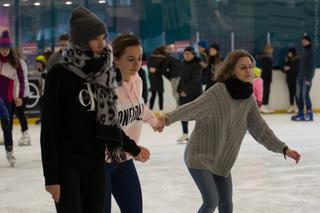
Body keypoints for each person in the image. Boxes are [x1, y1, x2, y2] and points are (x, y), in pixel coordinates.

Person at [160, 49, 301, 213]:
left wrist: (283, 148)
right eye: (243, 67)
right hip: (200, 156)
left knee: (227, 205)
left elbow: (261, 129)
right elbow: (192, 108)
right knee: (211, 201)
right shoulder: (219, 90)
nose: (248, 71)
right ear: (231, 70)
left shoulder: (248, 98)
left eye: (250, 66)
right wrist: (166, 119)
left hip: (222, 160)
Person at [40, 6, 148, 213]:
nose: (102, 43)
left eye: (103, 37)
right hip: (68, 166)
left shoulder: (103, 71)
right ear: (80, 39)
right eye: (95, 38)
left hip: (96, 162)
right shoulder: (59, 74)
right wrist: (52, 178)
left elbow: (108, 122)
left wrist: (132, 148)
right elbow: (49, 130)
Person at [104, 33, 162, 213]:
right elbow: (108, 128)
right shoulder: (105, 87)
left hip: (124, 159)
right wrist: (134, 149)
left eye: (139, 58)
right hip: (100, 163)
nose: (137, 64)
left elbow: (139, 106)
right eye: (130, 59)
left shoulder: (137, 81)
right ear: (115, 59)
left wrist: (153, 120)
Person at [0, 30, 25, 166]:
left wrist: (19, 96)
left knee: (7, 127)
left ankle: (9, 151)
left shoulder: (15, 62)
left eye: (6, 48)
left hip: (7, 100)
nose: (4, 51)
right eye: (2, 48)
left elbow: (21, 80)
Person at [291, 34, 315, 121]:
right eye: (302, 40)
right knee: (298, 95)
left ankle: (309, 113)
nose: (303, 42)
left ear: (309, 41)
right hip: (300, 77)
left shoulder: (311, 51)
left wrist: (309, 78)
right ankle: (301, 113)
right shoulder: (303, 51)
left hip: (306, 78)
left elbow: (311, 66)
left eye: (305, 40)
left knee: (305, 95)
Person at [14, 48, 31, 146]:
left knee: (20, 113)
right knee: (13, 113)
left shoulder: (20, 63)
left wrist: (18, 96)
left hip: (22, 93)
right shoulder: (15, 62)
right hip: (17, 93)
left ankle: (26, 135)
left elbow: (21, 81)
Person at [148, 47, 165, 111]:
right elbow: (152, 69)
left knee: (155, 95)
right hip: (156, 78)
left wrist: (155, 70)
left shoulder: (151, 59)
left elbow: (152, 69)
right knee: (157, 95)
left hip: (154, 78)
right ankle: (159, 109)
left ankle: (152, 109)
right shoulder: (161, 59)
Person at [283, 47, 300, 113]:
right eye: (288, 52)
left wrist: (289, 68)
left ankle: (298, 106)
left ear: (293, 52)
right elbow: (285, 67)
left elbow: (297, 69)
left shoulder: (297, 59)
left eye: (290, 52)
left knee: (296, 93)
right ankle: (291, 106)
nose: (289, 54)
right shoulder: (287, 59)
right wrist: (284, 69)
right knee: (291, 93)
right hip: (289, 78)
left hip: (295, 78)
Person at [260, 44, 274, 113]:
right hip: (266, 77)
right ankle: (263, 106)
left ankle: (266, 106)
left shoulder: (269, 57)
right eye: (271, 49)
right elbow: (267, 68)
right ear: (267, 50)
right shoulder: (265, 58)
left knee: (267, 91)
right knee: (265, 91)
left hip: (267, 76)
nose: (272, 50)